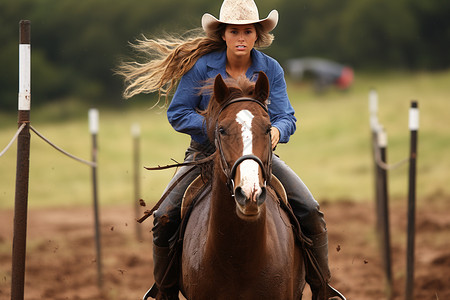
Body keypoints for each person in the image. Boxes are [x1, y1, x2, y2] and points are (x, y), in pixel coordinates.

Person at [118, 0, 346, 299]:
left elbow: (285, 116)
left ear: (257, 35)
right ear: (223, 34)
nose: (241, 37)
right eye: (234, 31)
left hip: (257, 155)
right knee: (164, 217)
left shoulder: (271, 69)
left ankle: (322, 290)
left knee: (311, 210)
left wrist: (276, 131)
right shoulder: (201, 67)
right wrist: (222, 131)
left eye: (247, 31)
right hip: (204, 154)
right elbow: (178, 112)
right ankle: (164, 292)